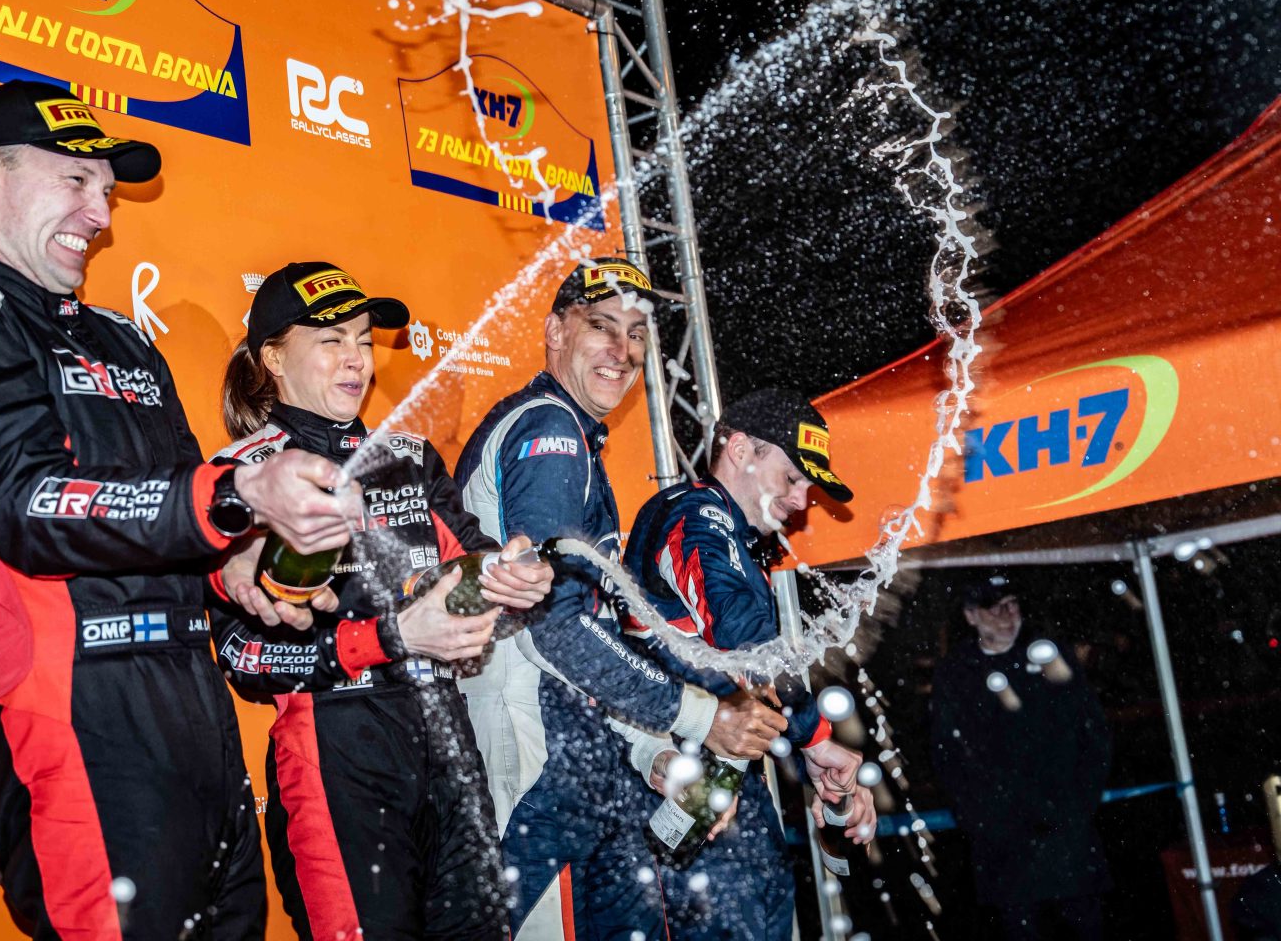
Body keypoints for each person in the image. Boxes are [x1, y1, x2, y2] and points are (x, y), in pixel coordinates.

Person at [0, 80, 361, 939]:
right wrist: (234, 494)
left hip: (196, 709)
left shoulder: (123, 338)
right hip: (74, 706)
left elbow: (178, 508)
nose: (100, 215)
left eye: (106, 191)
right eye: (76, 181)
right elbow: (25, 504)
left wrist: (237, 565)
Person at [207, 261, 554, 941]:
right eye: (331, 340)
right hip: (337, 751)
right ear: (273, 358)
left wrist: (514, 577)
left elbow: (475, 571)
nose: (356, 358)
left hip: (448, 745)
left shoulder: (409, 457)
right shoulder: (243, 478)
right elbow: (241, 656)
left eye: (364, 340)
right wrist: (383, 639)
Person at [454, 257, 789, 939]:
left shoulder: (575, 439)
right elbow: (555, 626)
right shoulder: (549, 430)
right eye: (602, 326)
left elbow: (592, 633)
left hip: (574, 752)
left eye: (636, 334)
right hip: (533, 748)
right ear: (555, 332)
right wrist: (703, 717)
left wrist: (649, 752)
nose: (623, 349)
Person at [621, 388, 878, 941]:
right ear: (739, 450)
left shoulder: (733, 534)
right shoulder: (694, 514)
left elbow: (746, 672)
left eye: (809, 485)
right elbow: (747, 644)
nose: (802, 500)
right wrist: (815, 737)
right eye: (792, 477)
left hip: (724, 787)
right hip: (678, 786)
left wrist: (808, 749)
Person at [929, 576, 1113, 940]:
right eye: (995, 608)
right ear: (971, 616)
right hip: (1003, 838)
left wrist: (1079, 803)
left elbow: (1093, 733)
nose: (1008, 615)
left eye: (1012, 604)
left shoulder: (1048, 655)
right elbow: (946, 752)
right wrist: (977, 816)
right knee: (1020, 928)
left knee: (1085, 924)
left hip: (1065, 827)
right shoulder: (957, 672)